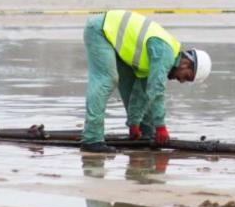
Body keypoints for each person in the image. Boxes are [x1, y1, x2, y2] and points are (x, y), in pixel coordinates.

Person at [81, 9, 212, 153]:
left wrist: (134, 123)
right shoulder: (164, 53)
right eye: (186, 76)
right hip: (100, 31)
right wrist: (161, 127)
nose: (181, 81)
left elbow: (141, 93)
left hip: (112, 38)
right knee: (106, 79)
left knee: (130, 87)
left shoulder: (158, 59)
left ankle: (146, 134)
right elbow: (156, 90)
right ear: (186, 63)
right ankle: (92, 139)